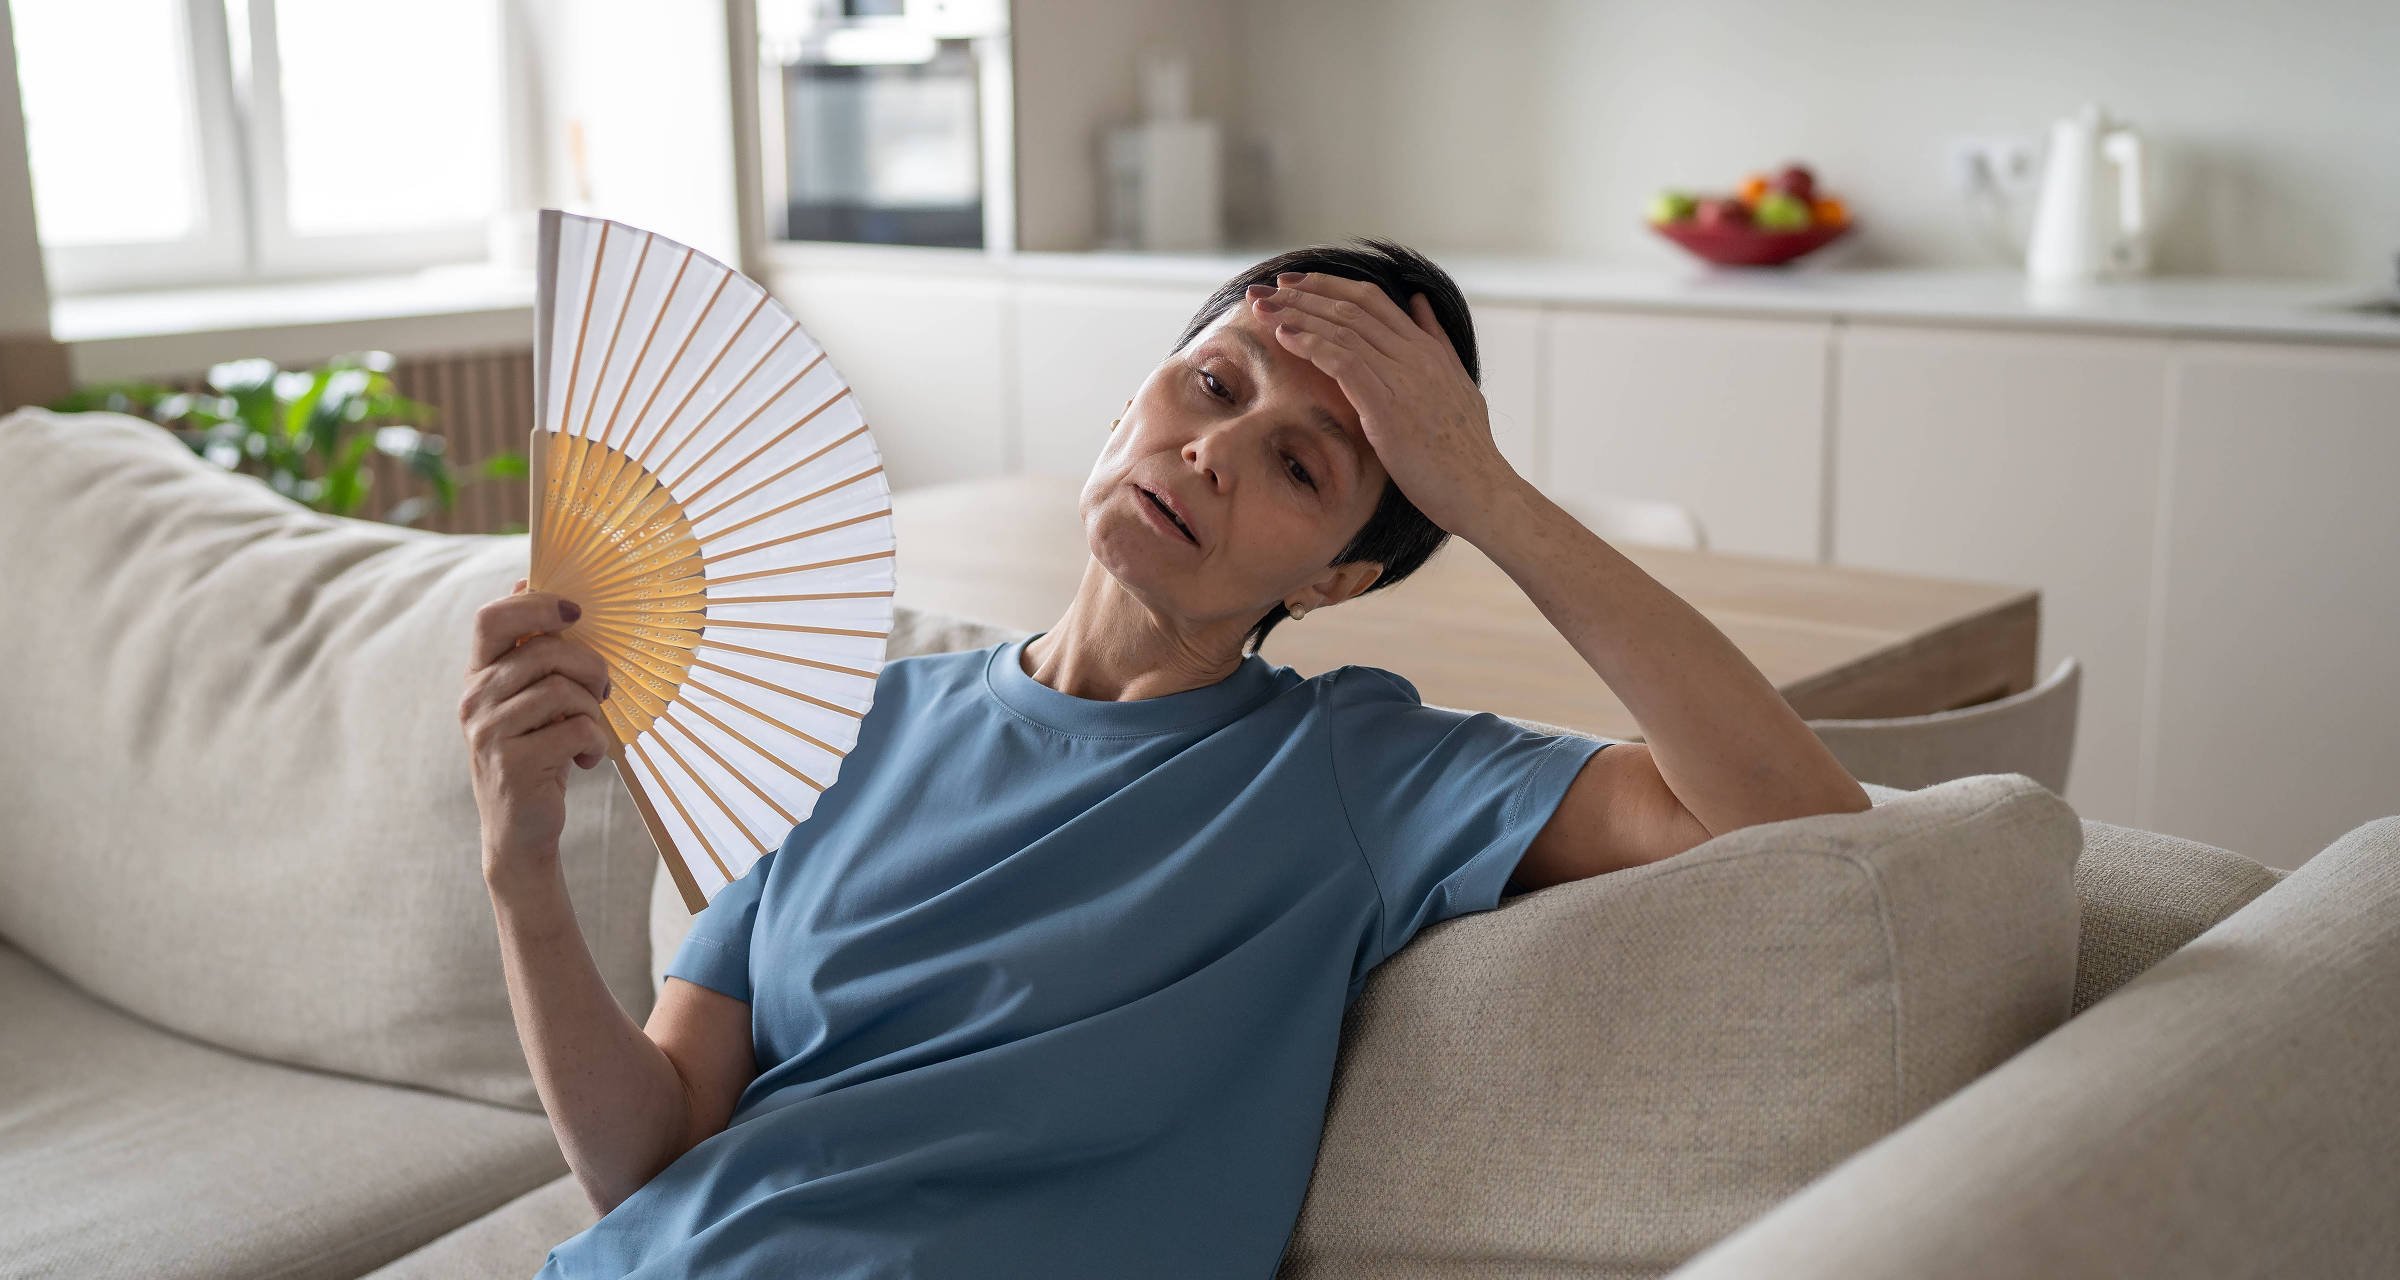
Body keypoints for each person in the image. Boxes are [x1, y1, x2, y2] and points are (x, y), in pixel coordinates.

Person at [458, 238, 1872, 1278]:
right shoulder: (849, 721)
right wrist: (522, 877)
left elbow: (1799, 818)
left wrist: (1483, 490)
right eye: (1209, 385)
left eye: (1302, 466)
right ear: (1128, 405)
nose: (1214, 451)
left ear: (1332, 580)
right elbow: (649, 1157)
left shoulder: (1354, 774)